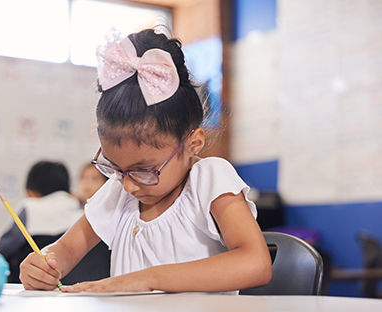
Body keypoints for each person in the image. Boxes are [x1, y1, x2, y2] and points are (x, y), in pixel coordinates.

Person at [19, 28, 272, 293]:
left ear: (192, 143)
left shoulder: (208, 180)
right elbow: (67, 248)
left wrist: (146, 279)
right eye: (116, 168)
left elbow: (256, 263)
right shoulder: (119, 193)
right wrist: (45, 263)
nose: (128, 185)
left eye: (144, 170)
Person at [0, 161, 83, 282]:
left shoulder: (29, 207)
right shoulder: (83, 212)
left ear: (31, 192)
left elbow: (1, 251)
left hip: (32, 287)